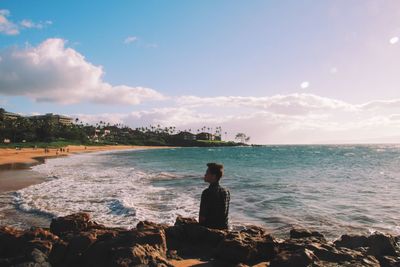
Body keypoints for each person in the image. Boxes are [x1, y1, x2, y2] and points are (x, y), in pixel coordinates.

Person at [199, 163, 230, 229]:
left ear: (213, 176)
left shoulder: (207, 192)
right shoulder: (226, 192)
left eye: (207, 172)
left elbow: (202, 218)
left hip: (210, 230)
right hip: (224, 228)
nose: (205, 175)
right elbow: (225, 216)